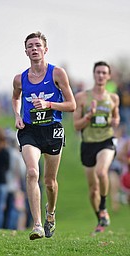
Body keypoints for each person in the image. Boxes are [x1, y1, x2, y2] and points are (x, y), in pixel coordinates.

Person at [12, 31, 76, 240]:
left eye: (38, 45)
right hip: (30, 130)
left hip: (52, 129)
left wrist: (49, 104)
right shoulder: (19, 78)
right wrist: (17, 115)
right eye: (30, 46)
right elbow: (15, 98)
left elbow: (72, 105)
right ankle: (37, 225)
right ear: (26, 51)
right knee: (32, 172)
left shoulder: (57, 73)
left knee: (50, 182)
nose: (34, 49)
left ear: (45, 49)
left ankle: (50, 213)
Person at [73, 61, 120, 233]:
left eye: (104, 73)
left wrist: (115, 121)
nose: (100, 75)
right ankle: (99, 217)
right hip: (88, 144)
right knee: (93, 190)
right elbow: (76, 126)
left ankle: (104, 207)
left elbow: (116, 118)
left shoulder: (113, 98)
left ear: (108, 76)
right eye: (98, 72)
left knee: (102, 172)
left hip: (106, 141)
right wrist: (88, 116)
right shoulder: (82, 98)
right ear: (94, 74)